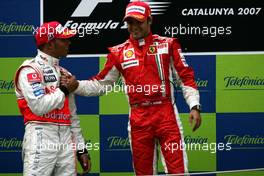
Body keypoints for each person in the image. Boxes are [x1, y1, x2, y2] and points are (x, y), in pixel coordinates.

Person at [63, 1, 202, 175]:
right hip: (138, 120)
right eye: (130, 22)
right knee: (143, 173)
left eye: (139, 21)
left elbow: (185, 77)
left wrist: (194, 106)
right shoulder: (118, 52)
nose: (134, 26)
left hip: (167, 117)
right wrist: (76, 86)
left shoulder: (168, 44)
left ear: (149, 20)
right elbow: (101, 84)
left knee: (178, 171)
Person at [14, 21, 105, 176]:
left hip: (66, 139)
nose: (68, 42)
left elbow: (72, 117)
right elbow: (39, 106)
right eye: (63, 39)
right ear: (49, 44)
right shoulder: (30, 69)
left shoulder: (64, 73)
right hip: (40, 135)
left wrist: (81, 149)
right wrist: (63, 89)